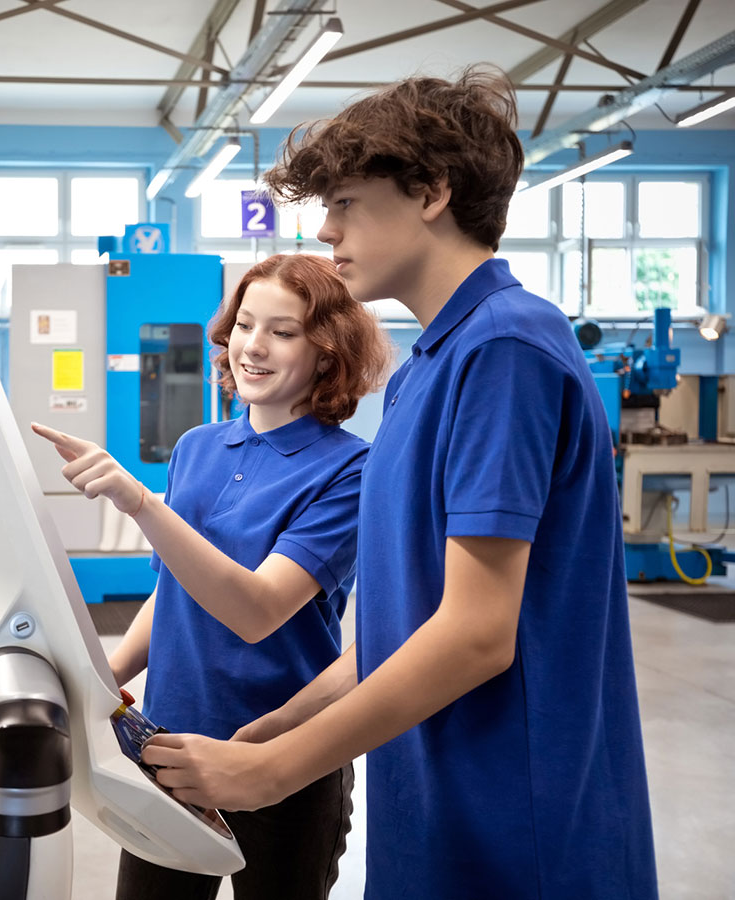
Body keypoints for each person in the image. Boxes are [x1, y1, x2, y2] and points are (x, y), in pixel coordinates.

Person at [140, 69, 659, 899]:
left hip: (515, 816)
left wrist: (273, 772)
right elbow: (404, 620)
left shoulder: (507, 349)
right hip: (434, 795)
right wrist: (279, 725)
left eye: (346, 202)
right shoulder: (431, 366)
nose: (327, 229)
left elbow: (477, 634)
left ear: (431, 192)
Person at [32, 253, 391, 900]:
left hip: (280, 752)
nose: (253, 346)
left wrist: (141, 503)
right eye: (245, 325)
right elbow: (173, 588)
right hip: (170, 747)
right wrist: (106, 678)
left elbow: (257, 611)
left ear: (327, 352)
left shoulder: (351, 471)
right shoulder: (198, 446)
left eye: (282, 332)